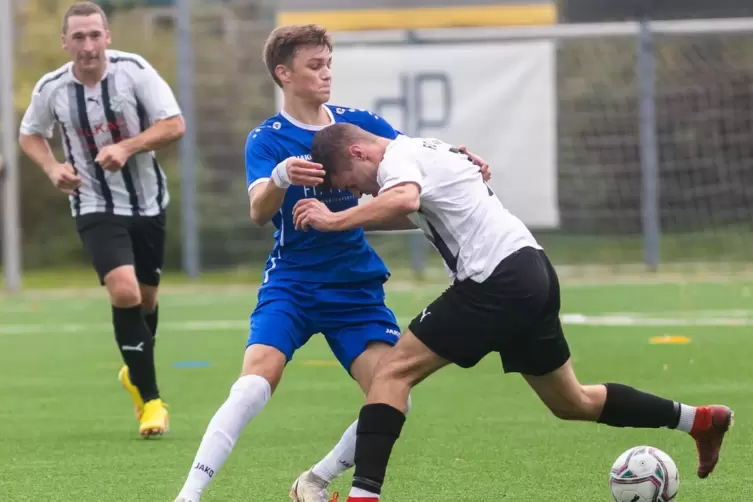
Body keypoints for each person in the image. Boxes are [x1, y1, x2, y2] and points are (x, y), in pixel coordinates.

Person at [293, 123, 734, 501]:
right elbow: (407, 209)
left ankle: (362, 495)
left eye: (352, 183)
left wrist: (333, 220)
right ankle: (697, 420)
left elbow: (403, 200)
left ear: (358, 151)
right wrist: (352, 216)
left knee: (391, 373)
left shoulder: (397, 160)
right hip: (532, 271)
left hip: (495, 279)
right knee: (572, 401)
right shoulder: (425, 149)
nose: (360, 192)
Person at [174, 24, 489, 502]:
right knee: (252, 387)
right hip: (293, 284)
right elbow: (259, 211)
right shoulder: (267, 140)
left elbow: (415, 159)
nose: (326, 75)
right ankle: (189, 495)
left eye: (328, 64)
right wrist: (279, 177)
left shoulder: (353, 122)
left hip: (354, 288)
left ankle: (315, 480)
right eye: (314, 66)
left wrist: (462, 160)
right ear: (283, 74)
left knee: (393, 395)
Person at [18, 1, 183, 438]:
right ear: (65, 43)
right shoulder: (52, 87)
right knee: (124, 290)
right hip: (93, 203)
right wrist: (54, 169)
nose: (88, 45)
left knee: (147, 298)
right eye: (78, 37)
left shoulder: (136, 71)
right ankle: (151, 401)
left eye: (95, 35)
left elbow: (175, 125)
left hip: (148, 202)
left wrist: (128, 147)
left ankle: (134, 370)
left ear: (107, 37)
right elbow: (30, 133)